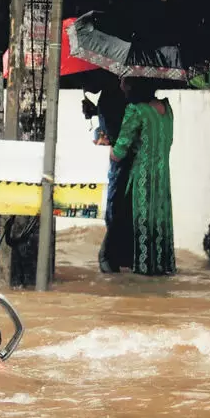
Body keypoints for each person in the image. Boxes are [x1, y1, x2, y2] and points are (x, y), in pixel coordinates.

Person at [106, 77, 175, 276]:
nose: (121, 85)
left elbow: (118, 153)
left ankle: (143, 267)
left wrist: (110, 146)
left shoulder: (135, 111)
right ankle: (161, 265)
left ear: (134, 85)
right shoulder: (166, 109)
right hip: (162, 178)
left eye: (125, 82)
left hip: (141, 179)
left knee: (138, 221)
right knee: (160, 221)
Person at [82, 72, 130, 272]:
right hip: (121, 158)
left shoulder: (112, 97)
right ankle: (120, 255)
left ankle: (110, 256)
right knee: (118, 206)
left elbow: (114, 134)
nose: (86, 85)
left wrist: (110, 145)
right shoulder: (110, 95)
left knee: (114, 207)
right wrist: (94, 111)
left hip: (120, 159)